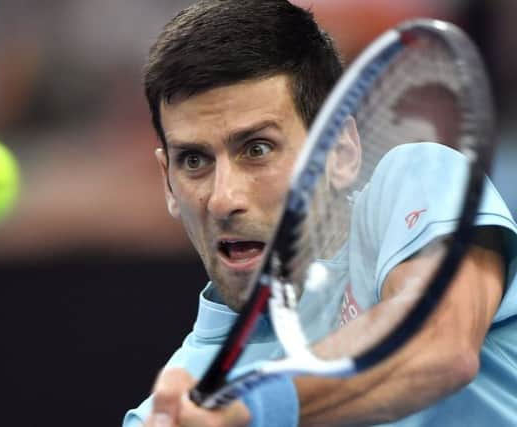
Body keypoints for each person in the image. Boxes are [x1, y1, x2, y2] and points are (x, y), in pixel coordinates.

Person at [124, 1, 517, 426]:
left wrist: (250, 409)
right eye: (195, 161)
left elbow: (438, 344)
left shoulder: (417, 179)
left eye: (257, 149)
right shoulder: (166, 412)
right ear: (167, 181)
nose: (222, 200)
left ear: (341, 152)